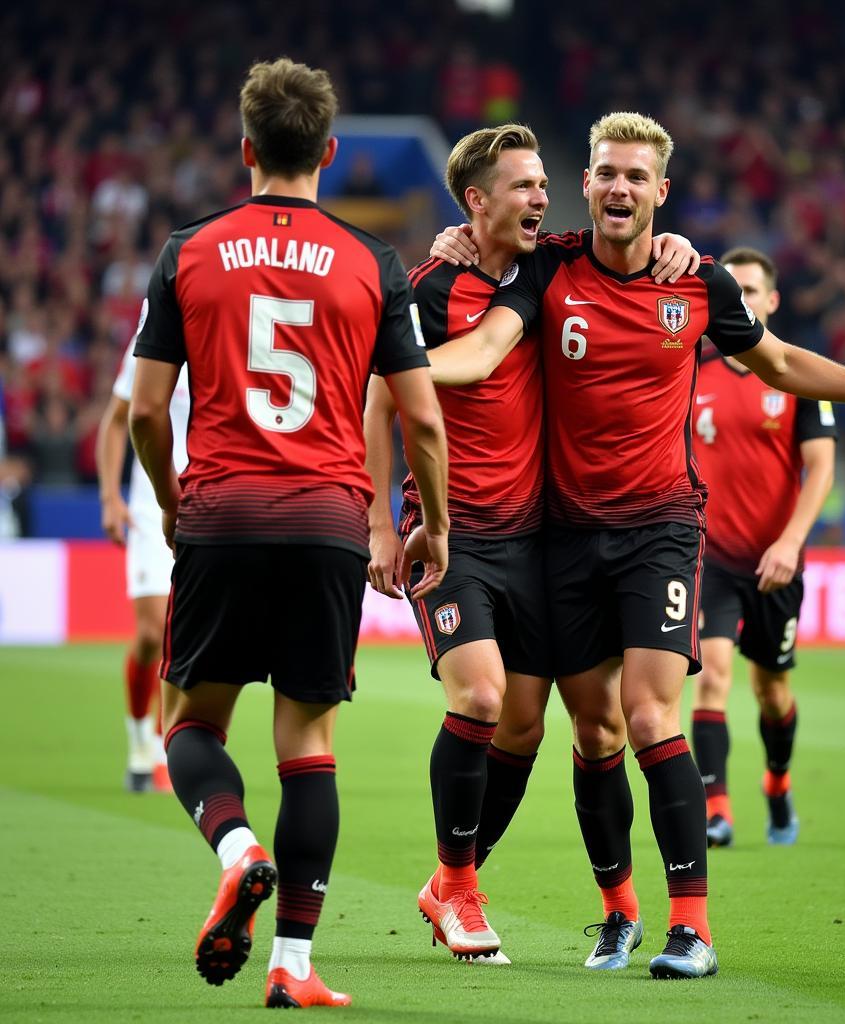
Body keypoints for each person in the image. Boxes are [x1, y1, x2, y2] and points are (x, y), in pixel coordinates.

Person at [426, 111, 845, 981]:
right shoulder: (549, 266)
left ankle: (693, 930)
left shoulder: (699, 283)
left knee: (647, 717)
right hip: (559, 536)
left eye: (638, 176)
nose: (620, 188)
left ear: (661, 191)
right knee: (592, 730)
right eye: (606, 173)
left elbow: (781, 363)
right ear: (588, 183)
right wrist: (434, 282)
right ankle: (616, 914)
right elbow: (485, 335)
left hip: (660, 531)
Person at [128, 58, 449, 1010]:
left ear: (245, 149)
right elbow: (422, 419)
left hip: (222, 513)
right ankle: (295, 968)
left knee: (188, 724)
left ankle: (238, 850)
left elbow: (148, 409)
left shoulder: (188, 250)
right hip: (328, 521)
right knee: (308, 745)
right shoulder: (372, 263)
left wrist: (170, 495)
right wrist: (430, 519)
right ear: (331, 154)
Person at [363, 122, 701, 967]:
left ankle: (489, 889)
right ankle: (461, 886)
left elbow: (625, 240)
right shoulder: (430, 287)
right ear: (477, 201)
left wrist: (676, 242)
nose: (542, 197)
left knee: (535, 728)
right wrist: (377, 519)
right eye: (524, 186)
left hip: (542, 539)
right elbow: (385, 393)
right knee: (480, 699)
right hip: (447, 532)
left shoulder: (543, 267)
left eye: (546, 184)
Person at [688, 247, 837, 850]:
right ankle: (716, 808)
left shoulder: (796, 376)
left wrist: (791, 542)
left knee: (771, 690)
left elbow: (821, 468)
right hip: (711, 556)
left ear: (771, 301)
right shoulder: (695, 370)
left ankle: (777, 780)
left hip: (777, 561)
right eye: (734, 290)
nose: (742, 301)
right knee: (711, 676)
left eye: (753, 291)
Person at [96, 341, 189, 793]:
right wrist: (110, 497)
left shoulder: (238, 316)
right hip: (153, 501)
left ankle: (162, 743)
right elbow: (116, 421)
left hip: (214, 494)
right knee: (153, 632)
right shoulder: (153, 332)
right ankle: (140, 736)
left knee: (185, 635)